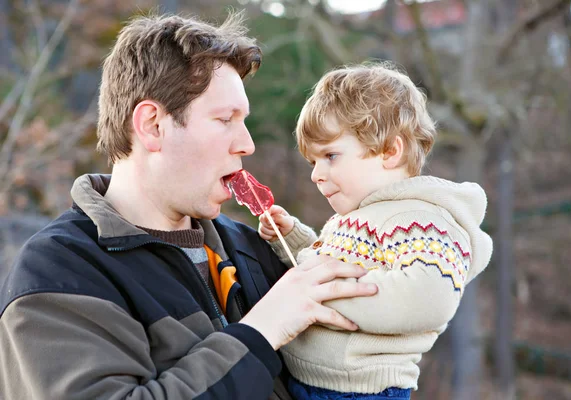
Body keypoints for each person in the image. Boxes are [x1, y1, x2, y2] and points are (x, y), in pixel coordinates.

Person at [0, 13, 379, 400]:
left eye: (243, 121)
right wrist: (261, 331)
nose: (246, 144)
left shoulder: (253, 250)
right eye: (225, 119)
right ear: (152, 125)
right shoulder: (59, 273)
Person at [258, 63, 494, 400]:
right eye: (313, 162)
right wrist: (294, 240)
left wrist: (318, 285)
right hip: (304, 382)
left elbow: (426, 298)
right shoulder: (358, 216)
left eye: (330, 156)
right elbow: (336, 269)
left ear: (390, 151)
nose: (316, 175)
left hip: (358, 392)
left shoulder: (422, 220)